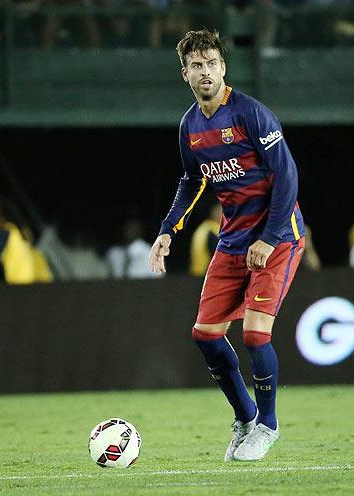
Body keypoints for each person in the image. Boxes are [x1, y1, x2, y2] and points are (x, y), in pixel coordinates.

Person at [149, 29, 306, 462]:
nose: (206, 71)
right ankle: (245, 416)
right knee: (205, 335)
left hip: (278, 237)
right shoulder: (190, 126)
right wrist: (167, 231)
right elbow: (191, 181)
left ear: (224, 67)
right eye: (196, 65)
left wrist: (270, 238)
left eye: (212, 63)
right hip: (233, 241)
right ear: (185, 74)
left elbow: (287, 177)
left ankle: (268, 426)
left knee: (256, 334)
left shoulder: (251, 114)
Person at [189, 202, 221, 276]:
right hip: (205, 275)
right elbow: (217, 256)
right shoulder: (212, 231)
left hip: (197, 273)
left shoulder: (204, 227)